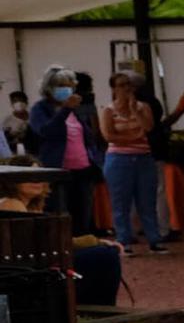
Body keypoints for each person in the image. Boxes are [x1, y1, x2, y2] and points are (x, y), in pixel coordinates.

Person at [98, 71, 168, 254]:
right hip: (118, 160)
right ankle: (124, 240)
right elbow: (108, 136)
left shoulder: (143, 106)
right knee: (121, 202)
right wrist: (133, 137)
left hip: (143, 158)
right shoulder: (108, 110)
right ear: (114, 89)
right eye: (121, 85)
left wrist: (134, 111)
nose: (126, 88)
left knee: (147, 200)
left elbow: (148, 127)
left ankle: (154, 239)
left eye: (128, 84)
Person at [27, 67, 100, 234]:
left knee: (83, 218)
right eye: (60, 85)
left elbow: (87, 135)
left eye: (68, 85)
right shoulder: (40, 109)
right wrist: (65, 110)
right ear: (49, 88)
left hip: (83, 170)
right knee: (60, 218)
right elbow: (45, 131)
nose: (65, 89)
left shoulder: (76, 108)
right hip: (58, 172)